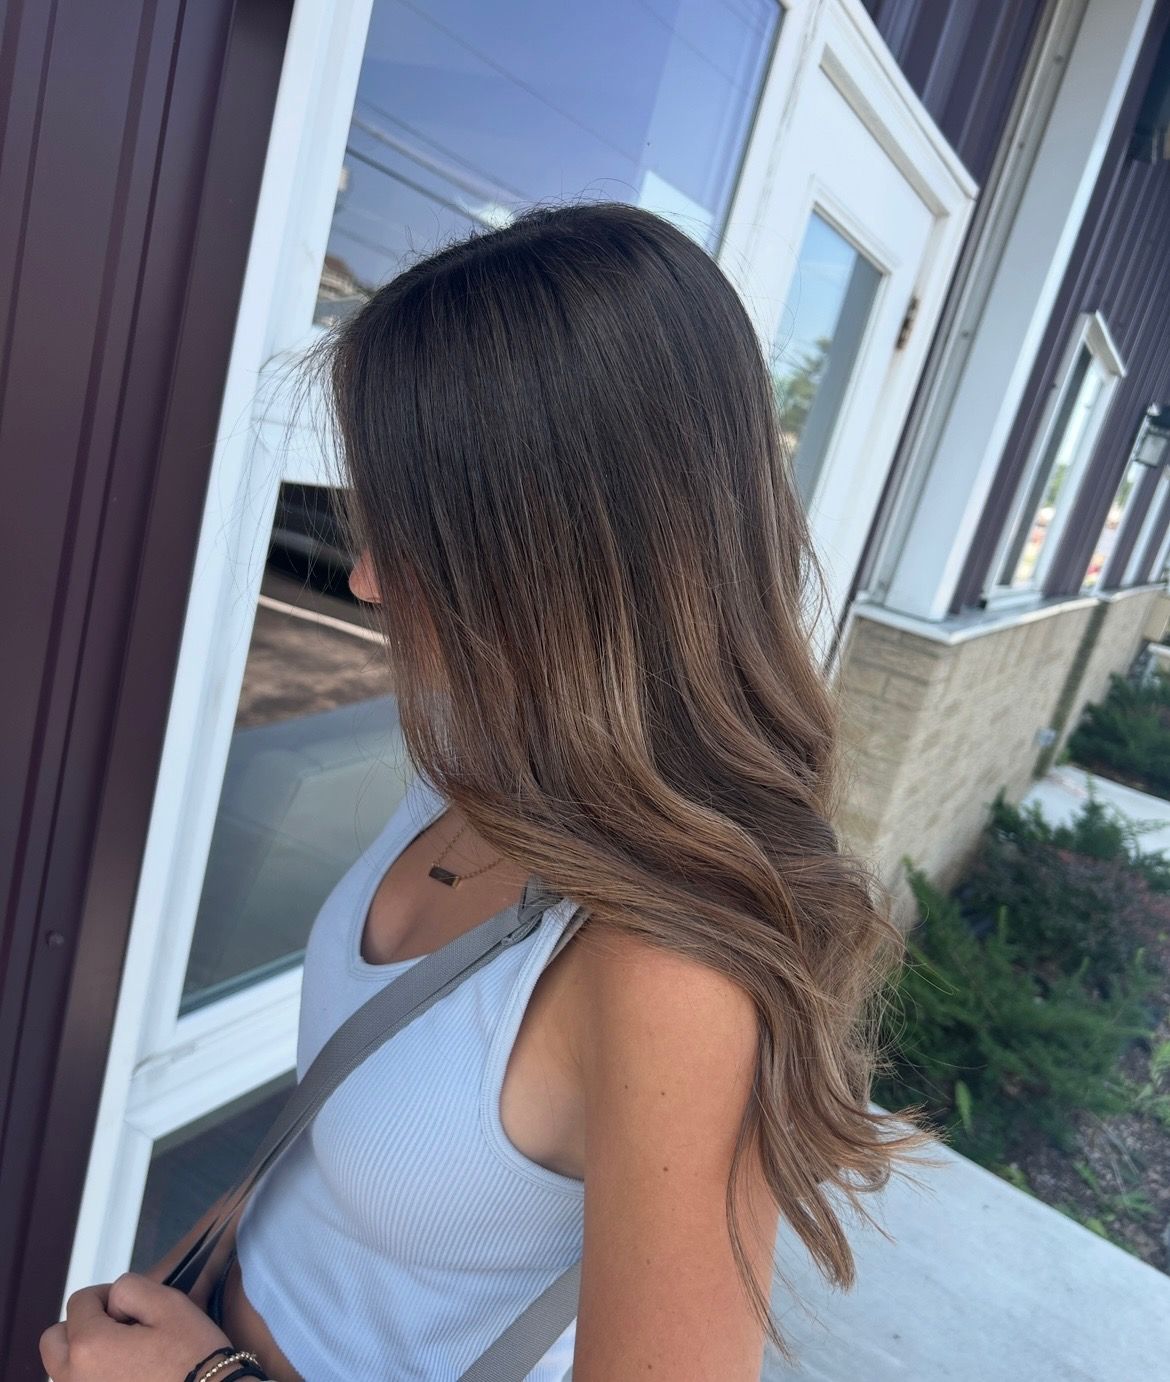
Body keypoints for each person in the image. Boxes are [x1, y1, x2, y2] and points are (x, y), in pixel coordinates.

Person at [40, 200, 929, 1382]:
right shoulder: (482, 770)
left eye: (413, 530)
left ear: (558, 561)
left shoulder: (673, 976)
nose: (361, 575)